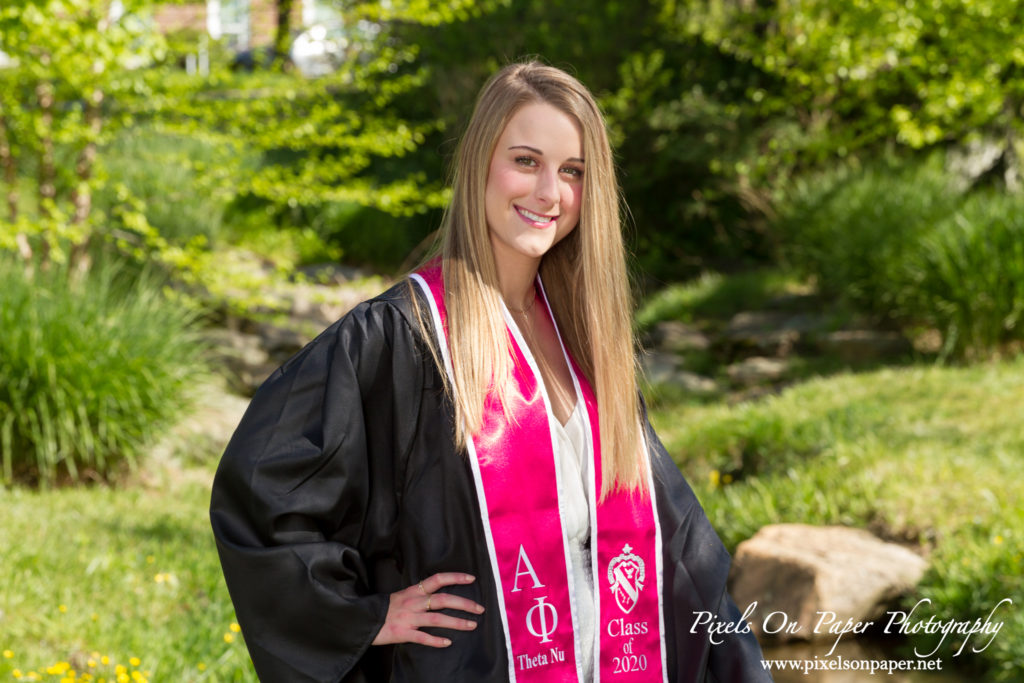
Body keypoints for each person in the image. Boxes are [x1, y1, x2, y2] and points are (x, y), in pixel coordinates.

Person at [210, 61, 770, 682]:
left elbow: (681, 549)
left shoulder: (589, 345)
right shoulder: (405, 336)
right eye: (526, 162)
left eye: (572, 172)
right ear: (480, 164)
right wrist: (363, 616)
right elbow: (263, 487)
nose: (548, 193)